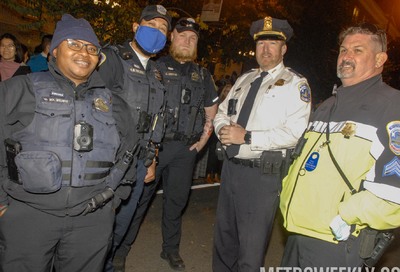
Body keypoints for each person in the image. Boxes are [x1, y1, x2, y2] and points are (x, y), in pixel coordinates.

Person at [0, 14, 136, 272]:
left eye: (92, 48)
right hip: (28, 215)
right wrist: (3, 203)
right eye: (74, 43)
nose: (84, 52)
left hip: (92, 219)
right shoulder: (19, 89)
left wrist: (112, 202)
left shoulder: (115, 103)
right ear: (53, 50)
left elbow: (129, 152)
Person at [280, 23, 400, 268]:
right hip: (299, 231)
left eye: (357, 50)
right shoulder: (328, 105)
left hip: (338, 241)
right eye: (344, 50)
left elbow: (394, 192)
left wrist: (346, 216)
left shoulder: (392, 105)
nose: (346, 56)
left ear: (380, 59)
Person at [114, 17, 219, 271]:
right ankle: (120, 251)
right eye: (182, 35)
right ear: (172, 37)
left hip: (185, 151)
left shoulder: (202, 75)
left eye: (192, 38)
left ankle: (170, 250)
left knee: (176, 203)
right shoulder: (155, 67)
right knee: (138, 201)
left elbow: (211, 111)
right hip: (155, 148)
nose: (187, 41)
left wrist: (203, 141)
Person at [212, 16, 311, 271]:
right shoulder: (245, 80)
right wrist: (222, 127)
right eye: (261, 43)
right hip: (231, 170)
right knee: (224, 241)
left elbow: (295, 132)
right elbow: (223, 111)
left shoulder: (294, 84)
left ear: (283, 48)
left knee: (251, 249)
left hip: (261, 177)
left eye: (272, 43)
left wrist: (246, 137)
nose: (265, 49)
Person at [97, 5, 171, 272]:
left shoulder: (157, 72)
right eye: (152, 25)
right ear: (135, 27)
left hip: (139, 163)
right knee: (97, 229)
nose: (157, 32)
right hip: (107, 161)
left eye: (163, 29)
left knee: (122, 225)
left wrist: (152, 158)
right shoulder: (112, 59)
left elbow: (157, 119)